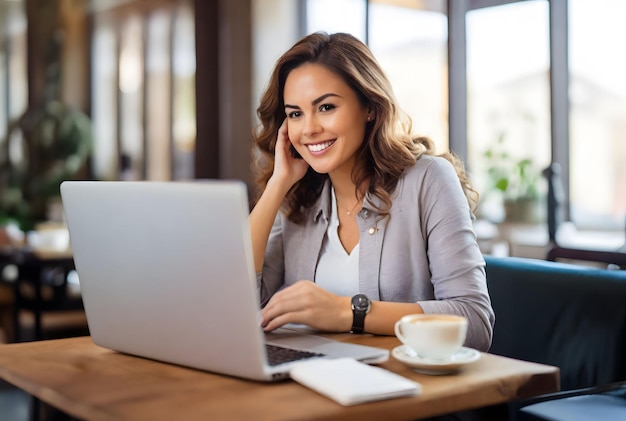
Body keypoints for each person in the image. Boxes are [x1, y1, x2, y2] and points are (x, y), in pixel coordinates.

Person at [249, 31, 494, 352]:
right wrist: (277, 185)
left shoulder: (429, 180)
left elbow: (474, 322)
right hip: (309, 379)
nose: (308, 129)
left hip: (404, 387)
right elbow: (239, 303)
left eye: (325, 107)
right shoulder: (297, 196)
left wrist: (347, 312)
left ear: (370, 107)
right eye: (295, 113)